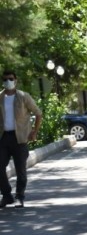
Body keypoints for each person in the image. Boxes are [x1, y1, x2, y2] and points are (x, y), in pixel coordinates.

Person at [1, 71, 42, 208]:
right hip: (3, 138)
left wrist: (34, 131)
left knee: (20, 170)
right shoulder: (0, 97)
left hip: (20, 138)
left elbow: (38, 113)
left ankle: (19, 197)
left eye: (10, 79)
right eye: (5, 79)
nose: (8, 81)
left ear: (16, 80)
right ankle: (7, 196)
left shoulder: (24, 97)